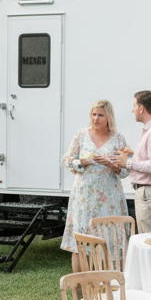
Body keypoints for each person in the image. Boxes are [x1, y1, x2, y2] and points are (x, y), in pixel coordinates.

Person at [60, 100, 130, 252]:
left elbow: (125, 171)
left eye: (100, 115)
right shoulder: (81, 135)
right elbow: (66, 160)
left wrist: (110, 165)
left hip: (109, 196)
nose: (96, 119)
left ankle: (106, 274)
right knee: (80, 242)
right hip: (84, 196)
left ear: (109, 117)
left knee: (109, 238)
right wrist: (82, 161)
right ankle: (79, 276)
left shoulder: (118, 139)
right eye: (93, 114)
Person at [113, 90, 151, 235]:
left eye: (134, 106)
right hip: (149, 193)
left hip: (150, 193)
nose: (132, 110)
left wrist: (128, 163)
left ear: (142, 108)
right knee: (149, 239)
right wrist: (132, 155)